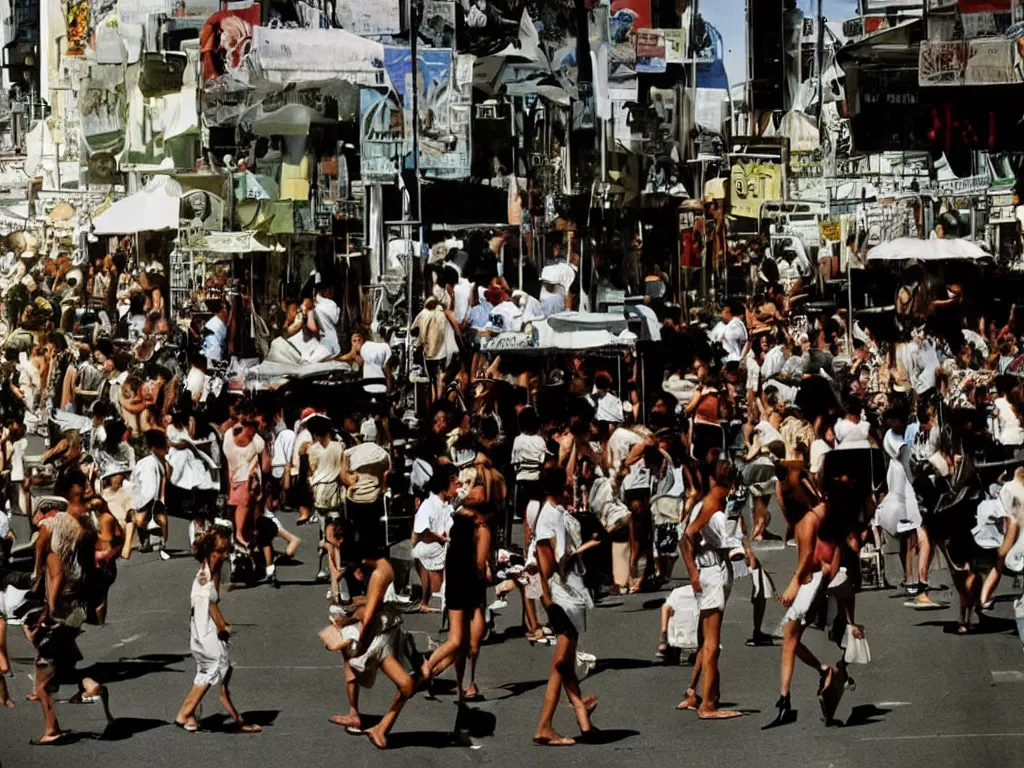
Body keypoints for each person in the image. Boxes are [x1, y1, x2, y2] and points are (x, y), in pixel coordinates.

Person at [532, 466, 598, 746]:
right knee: (561, 662)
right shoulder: (549, 516)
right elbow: (547, 558)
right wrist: (547, 600)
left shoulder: (553, 513)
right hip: (561, 593)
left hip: (565, 590)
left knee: (567, 659)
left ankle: (583, 717)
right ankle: (544, 725)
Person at [323, 549, 414, 750]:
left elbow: (371, 614)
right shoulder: (387, 568)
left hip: (381, 638)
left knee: (406, 684)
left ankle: (377, 725)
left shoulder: (379, 574)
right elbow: (372, 605)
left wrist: (360, 645)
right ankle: (358, 715)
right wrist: (351, 616)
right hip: (385, 634)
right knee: (348, 652)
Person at [174, 526, 262, 734]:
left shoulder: (210, 572)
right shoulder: (205, 580)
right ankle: (185, 713)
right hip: (205, 635)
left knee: (206, 673)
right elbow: (210, 603)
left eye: (226, 549)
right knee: (214, 669)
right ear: (210, 552)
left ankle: (190, 716)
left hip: (201, 632)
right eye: (221, 551)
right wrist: (223, 625)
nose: (225, 554)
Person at [678, 460, 745, 719]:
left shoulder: (710, 503)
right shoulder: (710, 506)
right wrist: (693, 570)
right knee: (712, 642)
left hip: (714, 569)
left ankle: (703, 694)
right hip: (712, 571)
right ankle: (708, 705)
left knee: (707, 640)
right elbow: (688, 535)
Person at [420, 499, 493, 708]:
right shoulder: (482, 531)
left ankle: (455, 684)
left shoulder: (457, 531)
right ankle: (430, 669)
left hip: (454, 586)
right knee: (467, 643)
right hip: (472, 590)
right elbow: (480, 565)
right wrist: (487, 572)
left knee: (459, 643)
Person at [411, 465, 457, 612]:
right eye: (455, 483)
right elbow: (423, 532)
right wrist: (441, 539)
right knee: (436, 591)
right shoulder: (428, 505)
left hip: (443, 548)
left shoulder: (446, 504)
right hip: (430, 549)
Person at [128, 430, 171, 560]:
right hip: (144, 502)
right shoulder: (149, 464)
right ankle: (148, 539)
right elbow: (148, 492)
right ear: (154, 448)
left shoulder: (162, 461)